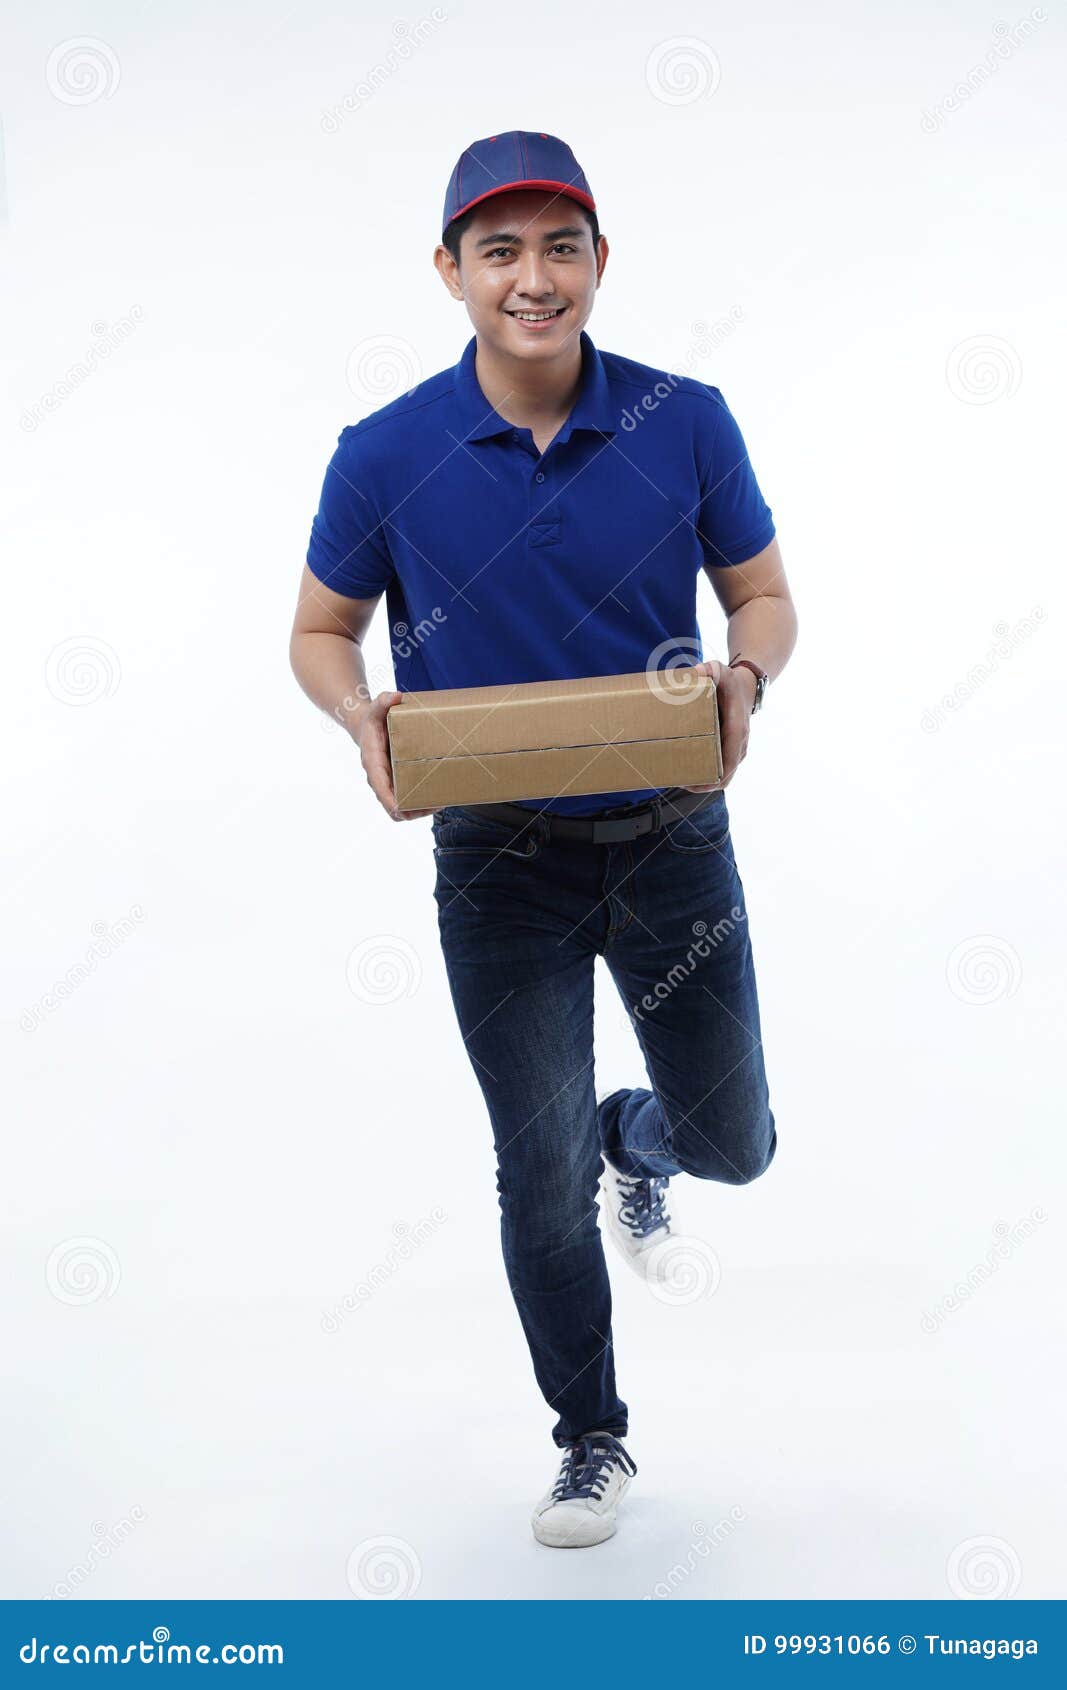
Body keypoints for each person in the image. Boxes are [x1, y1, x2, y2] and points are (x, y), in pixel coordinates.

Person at [290, 131, 798, 1549]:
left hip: (671, 841)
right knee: (535, 1169)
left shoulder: (683, 420)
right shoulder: (383, 454)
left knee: (738, 1140)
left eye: (560, 245)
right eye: (499, 249)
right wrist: (360, 718)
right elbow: (321, 632)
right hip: (497, 865)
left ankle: (642, 1138)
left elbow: (764, 603)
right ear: (451, 272)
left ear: (599, 265)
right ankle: (591, 1438)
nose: (533, 276)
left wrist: (744, 680)